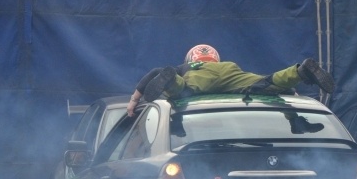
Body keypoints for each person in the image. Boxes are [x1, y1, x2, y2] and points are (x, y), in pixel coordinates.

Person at [126, 44, 335, 116]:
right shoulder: (223, 66)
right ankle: (299, 71)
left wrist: (134, 99)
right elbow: (269, 87)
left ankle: (171, 80)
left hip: (197, 77)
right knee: (263, 83)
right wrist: (289, 91)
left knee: (182, 91)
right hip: (231, 72)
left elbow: (155, 71)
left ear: (190, 58)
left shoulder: (188, 67)